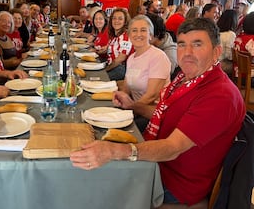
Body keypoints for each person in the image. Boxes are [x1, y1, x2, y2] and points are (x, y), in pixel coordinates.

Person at [70, 18, 245, 208]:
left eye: (197, 44)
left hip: (174, 183)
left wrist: (113, 151)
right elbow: (165, 112)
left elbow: (173, 148)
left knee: (91, 187)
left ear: (216, 52)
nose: (187, 53)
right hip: (156, 165)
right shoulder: (187, 78)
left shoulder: (220, 95)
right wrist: (133, 106)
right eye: (182, 45)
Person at [114, 15, 171, 131]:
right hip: (136, 109)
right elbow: (126, 88)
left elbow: (151, 96)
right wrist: (119, 98)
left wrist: (130, 110)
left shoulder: (158, 57)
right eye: (134, 30)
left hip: (154, 115)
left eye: (143, 30)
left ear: (150, 35)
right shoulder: (131, 58)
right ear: (129, 36)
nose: (138, 34)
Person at [147, 13, 178, 77]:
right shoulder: (149, 45)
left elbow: (163, 75)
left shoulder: (170, 53)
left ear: (156, 34)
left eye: (144, 31)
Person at [105, 8, 133, 81]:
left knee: (99, 78)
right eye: (114, 18)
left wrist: (106, 69)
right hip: (112, 66)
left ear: (125, 22)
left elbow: (121, 58)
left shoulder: (125, 36)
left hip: (119, 69)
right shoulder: (115, 36)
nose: (116, 21)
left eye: (120, 19)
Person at [217, 9, 237, 77]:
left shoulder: (216, 32)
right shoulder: (230, 34)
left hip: (213, 63)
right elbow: (229, 56)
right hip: (222, 64)